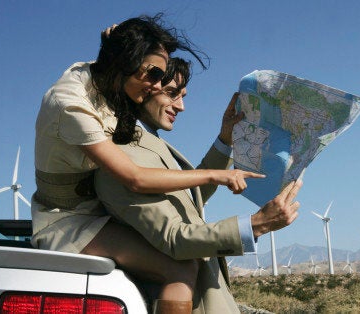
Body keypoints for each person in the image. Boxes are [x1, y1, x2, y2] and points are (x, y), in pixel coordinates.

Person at [31, 15, 272, 313]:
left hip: (94, 211)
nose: (157, 85)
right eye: (155, 77)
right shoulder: (72, 105)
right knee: (178, 269)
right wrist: (220, 179)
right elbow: (136, 180)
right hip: (67, 219)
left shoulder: (109, 84)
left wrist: (224, 141)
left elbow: (185, 198)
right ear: (122, 62)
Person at [94, 57, 302, 313]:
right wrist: (256, 225)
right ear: (142, 89)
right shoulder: (123, 154)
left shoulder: (148, 142)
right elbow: (175, 237)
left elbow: (186, 197)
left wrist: (225, 139)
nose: (181, 106)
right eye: (171, 93)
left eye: (182, 95)